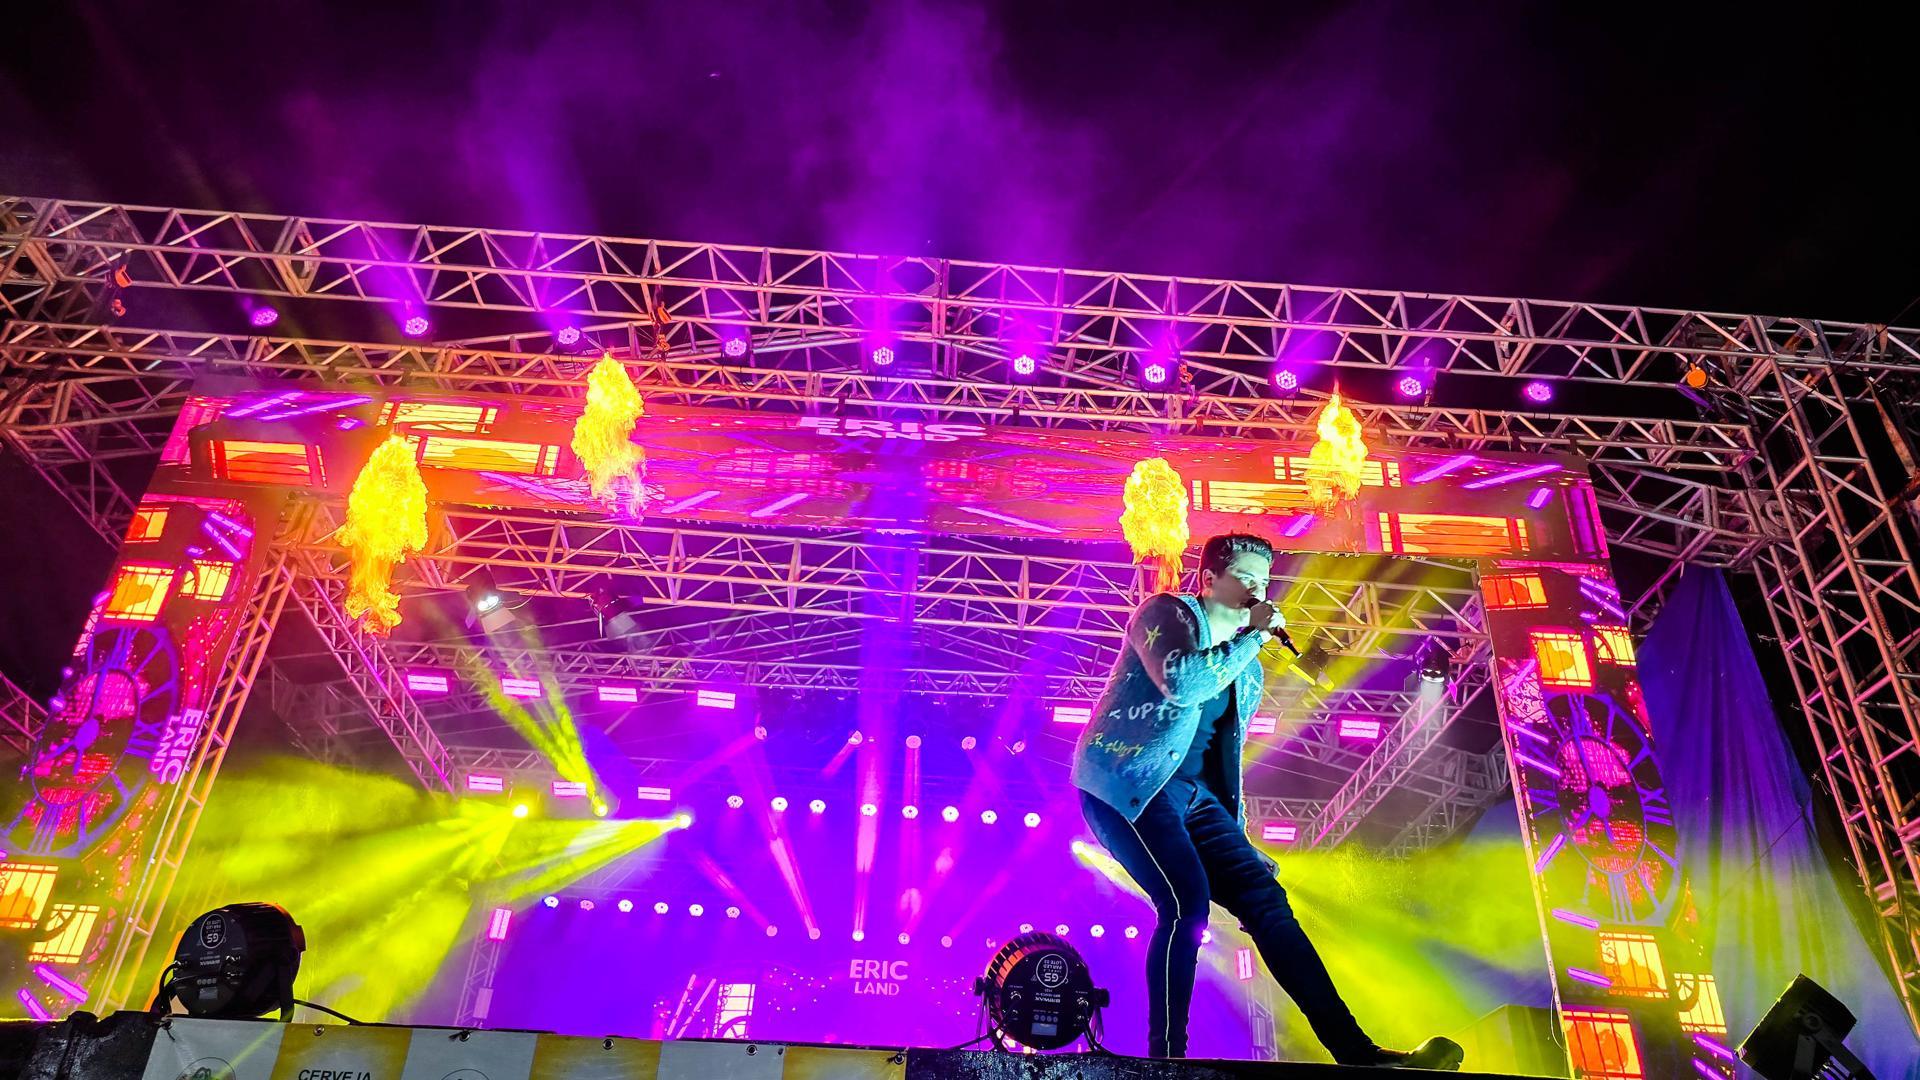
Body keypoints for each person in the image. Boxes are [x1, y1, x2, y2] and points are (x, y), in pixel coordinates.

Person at [1071, 532, 1463, 1069]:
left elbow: (1225, 763)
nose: (1258, 590)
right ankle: (1167, 1062)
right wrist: (1254, 636)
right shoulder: (1166, 613)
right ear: (1210, 579)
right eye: (1245, 578)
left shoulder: (1248, 672)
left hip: (1196, 799)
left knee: (1268, 903)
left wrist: (1241, 841)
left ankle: (1357, 1053)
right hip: (1129, 783)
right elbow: (1181, 683)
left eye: (1264, 580)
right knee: (1186, 903)